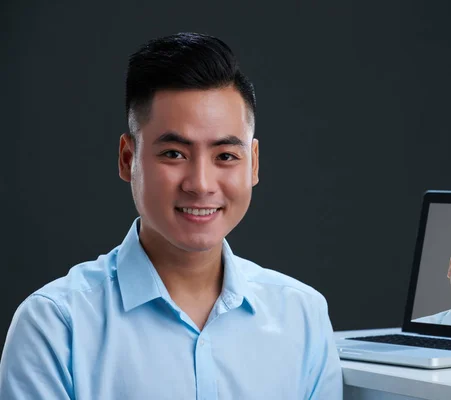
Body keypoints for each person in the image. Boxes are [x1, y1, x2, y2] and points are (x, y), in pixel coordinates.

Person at [0, 32, 342, 399]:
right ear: (128, 158)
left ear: (254, 164)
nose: (200, 184)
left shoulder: (302, 316)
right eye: (174, 154)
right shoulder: (55, 326)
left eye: (225, 156)